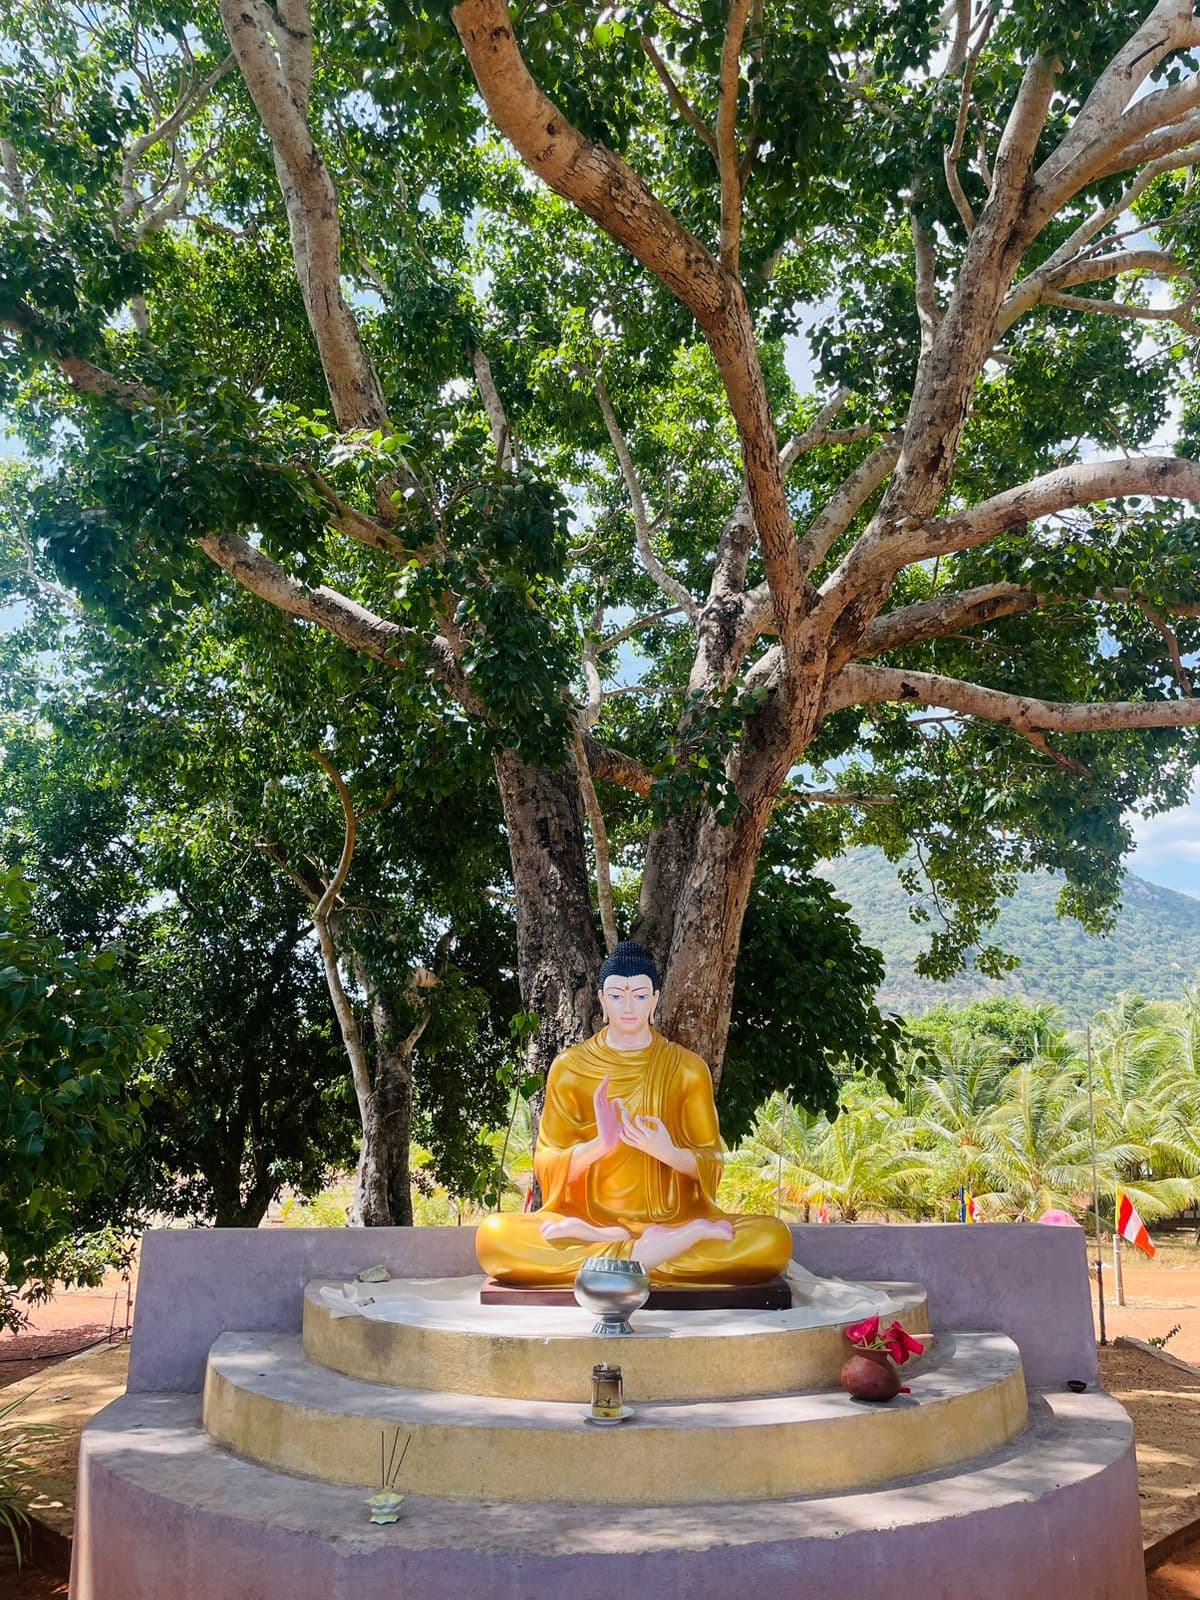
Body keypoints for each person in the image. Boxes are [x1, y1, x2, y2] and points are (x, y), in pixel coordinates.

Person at [476, 941, 794, 1285]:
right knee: (494, 1238)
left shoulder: (686, 1068)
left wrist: (668, 1153)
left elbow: (712, 1159)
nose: (628, 1007)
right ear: (601, 999)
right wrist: (601, 1144)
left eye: (640, 996)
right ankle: (645, 1253)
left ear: (655, 999)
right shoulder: (570, 1068)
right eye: (617, 996)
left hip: (671, 1219)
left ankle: (615, 1257)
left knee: (772, 1240)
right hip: (591, 1219)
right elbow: (547, 1161)